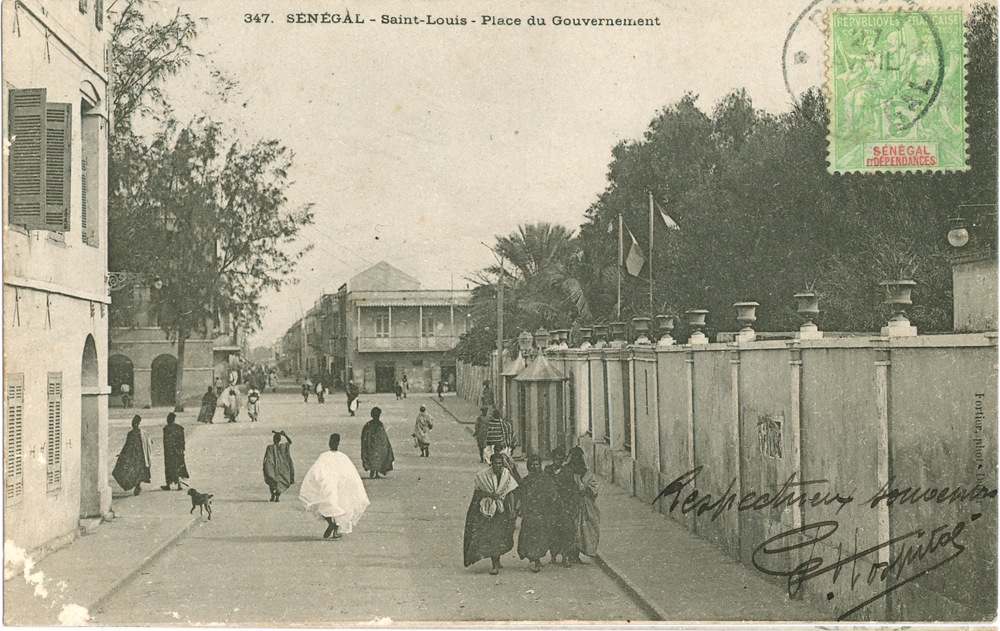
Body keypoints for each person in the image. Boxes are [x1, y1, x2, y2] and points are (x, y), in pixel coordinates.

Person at [299, 433, 370, 539]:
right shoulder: (341, 457)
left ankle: (334, 526)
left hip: (330, 485)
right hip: (334, 485)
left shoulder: (327, 456)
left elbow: (316, 470)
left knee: (329, 504)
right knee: (334, 505)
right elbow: (351, 474)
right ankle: (335, 526)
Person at [463, 453, 519, 575]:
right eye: (495, 463)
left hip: (502, 511)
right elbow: (477, 494)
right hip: (488, 511)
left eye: (500, 463)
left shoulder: (506, 475)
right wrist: (489, 495)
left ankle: (497, 559)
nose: (498, 466)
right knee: (492, 537)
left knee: (501, 535)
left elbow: (511, 493)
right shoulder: (483, 476)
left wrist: (512, 509)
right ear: (491, 464)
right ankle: (494, 564)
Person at [517, 455, 558, 572]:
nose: (535, 467)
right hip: (530, 514)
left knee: (542, 537)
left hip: (544, 513)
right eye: (532, 465)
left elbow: (553, 494)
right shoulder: (525, 481)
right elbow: (521, 496)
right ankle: (535, 561)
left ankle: (537, 558)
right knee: (530, 537)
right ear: (529, 467)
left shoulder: (546, 479)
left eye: (537, 465)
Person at [546, 447, 580, 566]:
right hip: (551, 507)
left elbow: (573, 490)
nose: (558, 460)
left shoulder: (567, 472)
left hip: (564, 506)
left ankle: (565, 556)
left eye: (561, 458)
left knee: (566, 531)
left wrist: (573, 506)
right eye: (556, 458)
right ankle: (553, 556)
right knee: (552, 531)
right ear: (552, 458)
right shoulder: (548, 470)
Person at [566, 446, 600, 561]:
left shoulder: (586, 473)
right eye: (573, 457)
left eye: (578, 458)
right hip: (570, 505)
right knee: (572, 529)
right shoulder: (566, 472)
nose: (576, 460)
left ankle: (578, 554)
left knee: (586, 530)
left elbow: (594, 486)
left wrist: (587, 490)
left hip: (586, 506)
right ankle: (570, 554)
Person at [112, 415, 153, 496]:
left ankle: (137, 486)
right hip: (137, 456)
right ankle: (137, 486)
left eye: (134, 423)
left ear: (137, 424)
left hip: (138, 457)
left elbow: (127, 446)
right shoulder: (139, 433)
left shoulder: (137, 433)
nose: (133, 425)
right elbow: (127, 445)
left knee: (136, 472)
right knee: (135, 472)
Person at [361, 407, 394, 478]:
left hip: (371, 445)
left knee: (373, 457)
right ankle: (375, 472)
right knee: (377, 457)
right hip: (377, 446)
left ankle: (373, 471)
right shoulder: (379, 424)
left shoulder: (368, 425)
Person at [160, 413, 189, 491]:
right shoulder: (179, 428)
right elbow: (182, 440)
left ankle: (168, 484)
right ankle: (179, 485)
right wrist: (182, 449)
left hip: (169, 452)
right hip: (178, 451)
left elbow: (166, 442)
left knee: (169, 467)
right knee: (178, 466)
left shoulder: (166, 429)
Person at [263, 430, 294, 502]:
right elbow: (290, 442)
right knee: (278, 481)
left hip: (273, 467)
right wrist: (285, 435)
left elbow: (266, 458)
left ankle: (273, 496)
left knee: (272, 481)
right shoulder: (282, 446)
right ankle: (276, 497)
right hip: (280, 467)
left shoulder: (271, 447)